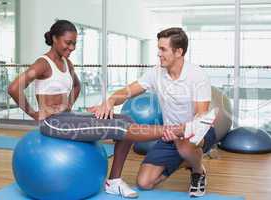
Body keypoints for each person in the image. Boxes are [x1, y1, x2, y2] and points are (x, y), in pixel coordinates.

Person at [8, 20, 200, 198]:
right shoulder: (43, 63)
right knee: (119, 129)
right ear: (55, 39)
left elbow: (76, 86)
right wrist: (35, 114)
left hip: (67, 117)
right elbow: (14, 87)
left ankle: (114, 181)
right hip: (53, 123)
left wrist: (69, 105)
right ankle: (179, 129)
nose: (72, 48)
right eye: (68, 43)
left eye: (74, 43)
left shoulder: (66, 62)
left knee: (126, 119)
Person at [88, 27, 216, 197]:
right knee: (144, 183)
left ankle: (198, 171)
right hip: (169, 134)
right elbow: (128, 90)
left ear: (179, 51)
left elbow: (201, 117)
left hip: (195, 133)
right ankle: (187, 160)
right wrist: (111, 100)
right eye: (158, 49)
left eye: (163, 49)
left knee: (185, 146)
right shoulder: (156, 73)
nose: (159, 54)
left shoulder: (197, 75)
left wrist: (181, 132)